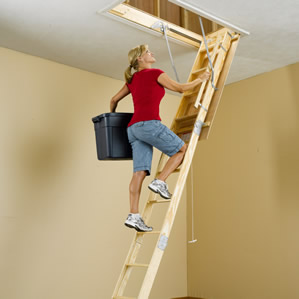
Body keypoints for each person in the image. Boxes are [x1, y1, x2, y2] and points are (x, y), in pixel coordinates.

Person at [110, 44, 210, 232]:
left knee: (139, 172)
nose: (152, 53)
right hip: (149, 124)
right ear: (140, 59)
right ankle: (160, 180)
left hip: (133, 129)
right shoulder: (155, 73)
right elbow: (181, 89)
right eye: (148, 52)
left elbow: (113, 100)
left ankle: (133, 215)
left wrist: (112, 122)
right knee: (183, 150)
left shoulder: (131, 80)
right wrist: (200, 79)